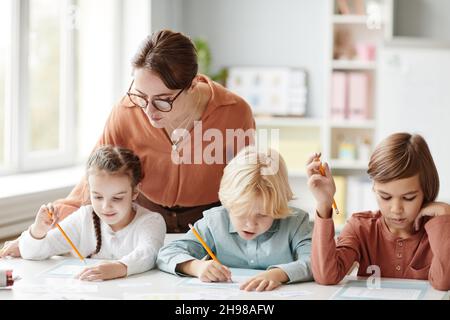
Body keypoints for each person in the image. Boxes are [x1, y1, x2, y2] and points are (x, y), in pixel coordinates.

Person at [0, 29, 255, 257]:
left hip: (208, 225)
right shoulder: (126, 111)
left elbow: (248, 184)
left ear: (191, 85)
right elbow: (93, 180)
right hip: (141, 223)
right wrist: (36, 236)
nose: (148, 110)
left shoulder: (234, 112)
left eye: (163, 100)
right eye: (141, 96)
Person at [157, 146, 313, 292]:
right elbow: (167, 254)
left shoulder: (296, 222)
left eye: (263, 214)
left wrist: (278, 275)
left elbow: (315, 262)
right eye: (242, 213)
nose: (250, 224)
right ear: (228, 203)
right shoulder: (215, 221)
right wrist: (196, 267)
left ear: (280, 204)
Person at [307, 132, 450, 290]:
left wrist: (445, 216)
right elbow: (326, 276)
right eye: (385, 197)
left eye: (409, 198)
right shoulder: (360, 227)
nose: (396, 210)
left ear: (426, 191)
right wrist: (324, 203)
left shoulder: (439, 230)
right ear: (374, 188)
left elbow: (444, 283)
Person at [17, 145, 166, 281]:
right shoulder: (84, 217)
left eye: (117, 198)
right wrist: (38, 231)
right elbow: (32, 254)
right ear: (89, 190)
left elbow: (149, 254)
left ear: (135, 192)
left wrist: (119, 268)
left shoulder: (151, 221)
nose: (106, 206)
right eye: (98, 197)